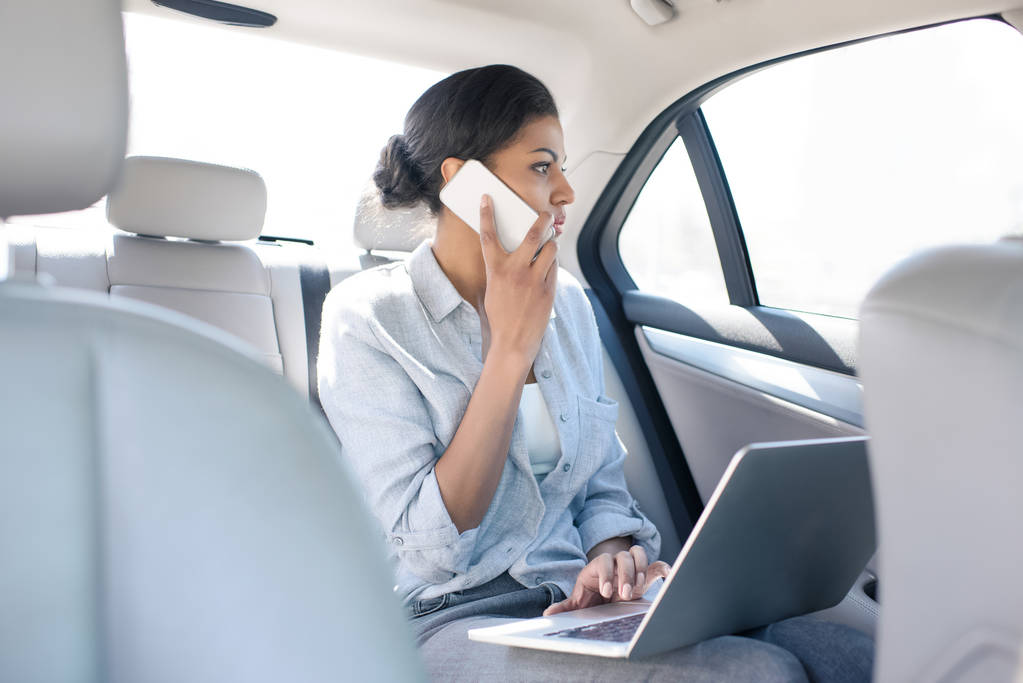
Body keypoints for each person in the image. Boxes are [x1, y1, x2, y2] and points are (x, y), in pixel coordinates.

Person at [318, 64, 873, 682]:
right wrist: (509, 349)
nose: (566, 192)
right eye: (540, 166)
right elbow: (432, 547)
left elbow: (600, 487)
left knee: (847, 657)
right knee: (753, 673)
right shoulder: (369, 318)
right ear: (462, 181)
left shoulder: (570, 302)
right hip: (452, 618)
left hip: (575, 606)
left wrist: (613, 558)